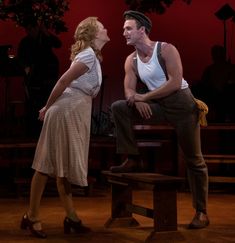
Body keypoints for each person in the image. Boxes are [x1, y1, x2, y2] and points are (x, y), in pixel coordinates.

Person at [110, 10, 209, 229]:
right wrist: (135, 100)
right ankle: (132, 157)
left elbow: (175, 82)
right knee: (119, 107)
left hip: (182, 106)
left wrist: (144, 96)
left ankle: (201, 212)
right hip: (160, 106)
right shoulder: (131, 60)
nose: (123, 32)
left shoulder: (166, 49)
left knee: (194, 160)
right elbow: (128, 89)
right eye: (124, 28)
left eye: (128, 28)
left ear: (142, 30)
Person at [20, 17, 110, 238]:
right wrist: (46, 107)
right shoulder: (88, 54)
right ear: (92, 34)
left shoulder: (92, 56)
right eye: (101, 27)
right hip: (66, 110)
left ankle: (71, 217)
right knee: (46, 163)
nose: (106, 29)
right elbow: (62, 82)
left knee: (62, 166)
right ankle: (32, 217)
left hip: (74, 110)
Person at [17, 23, 62, 137]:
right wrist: (26, 68)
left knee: (49, 101)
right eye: (28, 28)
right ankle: (33, 132)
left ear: (38, 27)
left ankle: (48, 131)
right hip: (34, 77)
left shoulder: (45, 38)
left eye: (33, 27)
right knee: (33, 104)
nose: (30, 31)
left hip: (49, 75)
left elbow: (58, 44)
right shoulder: (25, 42)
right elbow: (21, 59)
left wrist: (45, 31)